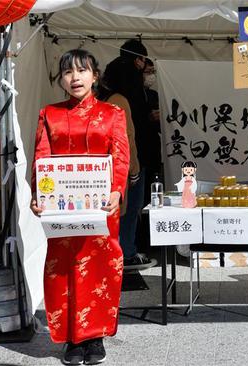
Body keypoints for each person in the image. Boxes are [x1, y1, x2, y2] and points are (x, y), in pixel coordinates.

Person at [30, 49, 129, 365]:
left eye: (82, 70)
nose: (75, 77)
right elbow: (41, 158)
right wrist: (38, 195)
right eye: (68, 72)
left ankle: (96, 336)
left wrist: (116, 191)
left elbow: (121, 156)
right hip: (63, 206)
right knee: (65, 266)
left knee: (100, 266)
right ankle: (72, 339)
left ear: (95, 75)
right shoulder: (50, 114)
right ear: (61, 79)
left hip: (101, 206)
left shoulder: (112, 113)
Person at [102, 40, 157, 269]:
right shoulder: (123, 99)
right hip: (129, 163)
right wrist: (134, 168)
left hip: (115, 163)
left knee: (122, 209)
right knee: (130, 207)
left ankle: (120, 249)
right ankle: (126, 251)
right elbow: (129, 137)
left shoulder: (109, 97)